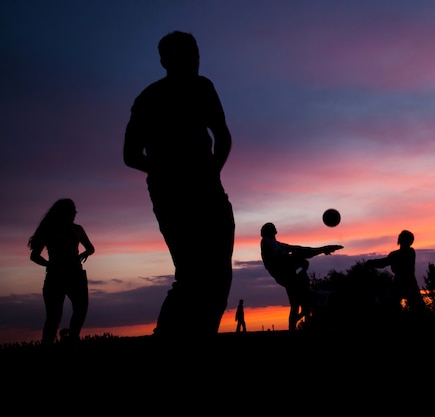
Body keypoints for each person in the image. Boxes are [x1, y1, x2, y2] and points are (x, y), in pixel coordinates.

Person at [123, 31, 235, 339]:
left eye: (195, 52)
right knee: (194, 276)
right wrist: (168, 170)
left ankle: (195, 336)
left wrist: (212, 171)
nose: (194, 59)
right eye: (186, 54)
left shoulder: (201, 87)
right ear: (165, 61)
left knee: (212, 275)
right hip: (174, 193)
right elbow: (130, 156)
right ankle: (170, 338)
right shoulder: (149, 99)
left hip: (202, 188)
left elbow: (222, 137)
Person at [27, 198, 95, 346]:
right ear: (62, 212)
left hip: (76, 275)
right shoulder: (49, 229)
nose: (74, 214)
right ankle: (47, 344)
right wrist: (50, 265)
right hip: (55, 277)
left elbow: (91, 247)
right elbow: (34, 256)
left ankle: (72, 338)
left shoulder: (77, 229)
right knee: (53, 317)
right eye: (71, 211)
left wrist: (85, 253)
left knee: (81, 308)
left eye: (75, 211)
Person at [260, 222, 343, 331]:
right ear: (270, 231)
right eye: (273, 228)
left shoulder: (275, 244)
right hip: (283, 272)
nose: (276, 229)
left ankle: (295, 324)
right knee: (300, 302)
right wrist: (322, 250)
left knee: (296, 304)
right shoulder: (267, 242)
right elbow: (294, 252)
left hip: (287, 274)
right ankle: (298, 321)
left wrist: (322, 249)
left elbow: (298, 249)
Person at [366, 230, 424, 320]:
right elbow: (384, 263)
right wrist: (372, 263)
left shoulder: (406, 253)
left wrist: (371, 263)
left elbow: (384, 263)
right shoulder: (401, 254)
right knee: (388, 304)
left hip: (406, 284)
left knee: (418, 309)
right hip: (404, 284)